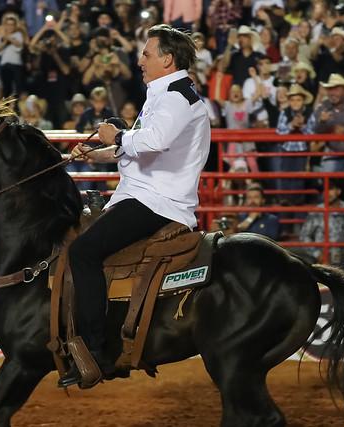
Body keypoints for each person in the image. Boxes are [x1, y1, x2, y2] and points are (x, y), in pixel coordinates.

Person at [59, 24, 210, 388]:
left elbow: (153, 140)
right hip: (147, 194)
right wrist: (104, 154)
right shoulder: (168, 92)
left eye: (146, 54)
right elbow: (148, 148)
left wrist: (118, 136)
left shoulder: (175, 95)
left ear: (167, 58)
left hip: (157, 201)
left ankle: (95, 352)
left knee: (82, 253)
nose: (139, 60)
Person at [299, 180, 344, 267]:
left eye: (330, 189)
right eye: (323, 190)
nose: (326, 193)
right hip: (323, 261)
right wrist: (318, 254)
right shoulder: (316, 211)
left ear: (338, 191)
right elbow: (304, 236)